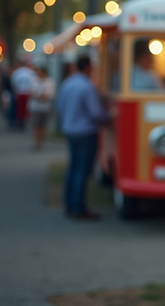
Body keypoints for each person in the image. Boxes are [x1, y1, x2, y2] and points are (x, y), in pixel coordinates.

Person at [56, 55, 109, 220]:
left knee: (73, 168)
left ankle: (70, 204)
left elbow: (60, 106)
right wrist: (108, 117)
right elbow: (96, 113)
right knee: (82, 171)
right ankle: (78, 208)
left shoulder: (68, 83)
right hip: (85, 132)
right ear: (88, 67)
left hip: (71, 131)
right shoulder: (87, 87)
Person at [28, 66, 55, 151]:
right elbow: (31, 92)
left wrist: (43, 96)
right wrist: (38, 96)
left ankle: (41, 141)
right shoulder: (33, 81)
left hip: (45, 107)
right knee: (36, 125)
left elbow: (50, 94)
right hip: (35, 107)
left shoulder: (49, 81)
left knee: (43, 125)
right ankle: (37, 142)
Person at [10, 60, 36, 130]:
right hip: (27, 92)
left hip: (20, 92)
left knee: (20, 108)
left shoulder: (17, 72)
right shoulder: (31, 72)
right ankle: (25, 120)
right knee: (27, 108)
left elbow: (13, 83)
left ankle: (20, 121)